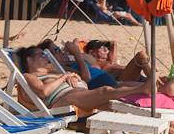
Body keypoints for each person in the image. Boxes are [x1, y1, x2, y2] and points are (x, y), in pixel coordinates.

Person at [16, 44, 160, 110]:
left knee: (115, 106)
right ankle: (143, 88)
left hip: (77, 93)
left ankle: (157, 92)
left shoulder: (52, 72)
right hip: (62, 101)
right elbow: (43, 91)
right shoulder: (29, 75)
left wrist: (73, 78)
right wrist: (64, 77)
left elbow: (83, 78)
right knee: (105, 91)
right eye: (41, 54)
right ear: (29, 60)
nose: (45, 57)